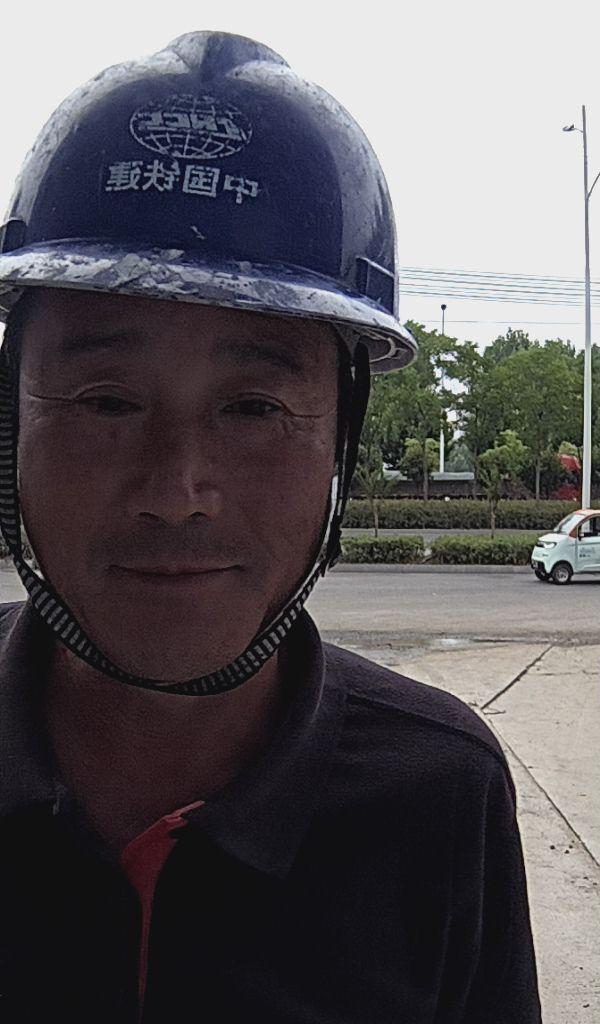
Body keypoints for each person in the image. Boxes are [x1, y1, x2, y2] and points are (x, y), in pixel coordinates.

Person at [0, 30, 542, 1023]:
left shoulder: (439, 795)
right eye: (106, 401)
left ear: (341, 435)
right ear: (13, 418)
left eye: (253, 408)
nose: (177, 491)